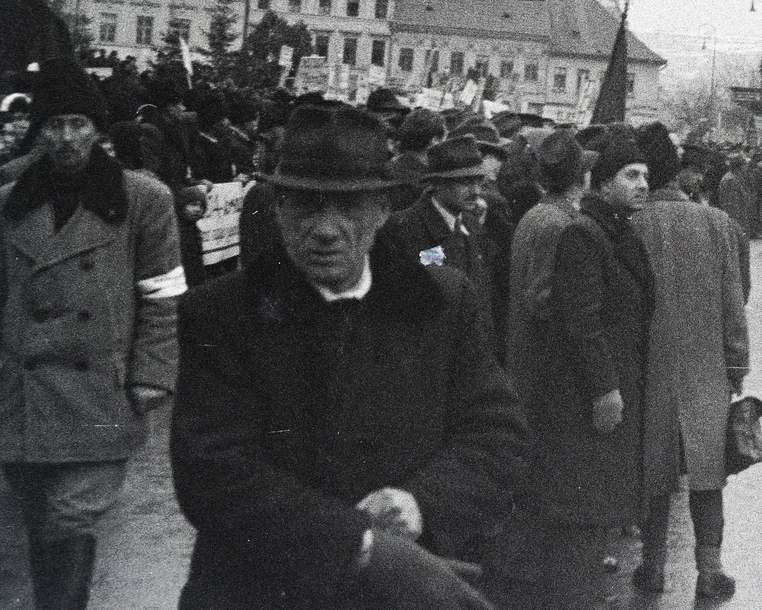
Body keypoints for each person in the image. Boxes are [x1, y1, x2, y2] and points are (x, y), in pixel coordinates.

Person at [170, 104, 525, 610]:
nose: (326, 229)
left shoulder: (442, 301)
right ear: (278, 207)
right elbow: (211, 470)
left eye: (348, 207)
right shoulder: (224, 311)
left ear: (382, 210)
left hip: (402, 594)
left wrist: (421, 503)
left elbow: (495, 431)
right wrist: (355, 543)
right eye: (306, 206)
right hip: (259, 591)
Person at [1, 57, 187, 610]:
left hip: (99, 391)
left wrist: (152, 373)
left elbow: (162, 294)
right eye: (54, 125)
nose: (66, 138)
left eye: (78, 124)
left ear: (98, 129)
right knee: (42, 517)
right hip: (20, 391)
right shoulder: (9, 201)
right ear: (40, 130)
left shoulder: (143, 200)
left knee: (70, 515)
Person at [525, 128, 655, 609]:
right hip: (589, 399)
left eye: (645, 174)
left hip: (611, 392)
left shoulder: (618, 230)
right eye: (631, 174)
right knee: (579, 513)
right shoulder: (584, 234)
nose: (643, 183)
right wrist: (605, 389)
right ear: (601, 183)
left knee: (593, 513)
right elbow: (579, 320)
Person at [631, 125, 751, 601]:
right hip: (707, 368)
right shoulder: (717, 223)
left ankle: (652, 567)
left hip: (650, 365)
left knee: (656, 473)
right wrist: (737, 364)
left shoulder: (633, 223)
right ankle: (710, 570)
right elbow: (733, 299)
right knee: (707, 474)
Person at [488, 128, 599, 609]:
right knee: (542, 468)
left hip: (524, 358)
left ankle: (519, 566)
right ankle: (526, 573)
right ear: (581, 178)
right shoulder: (561, 225)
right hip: (545, 363)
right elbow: (539, 296)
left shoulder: (535, 215)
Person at [376, 135, 492, 297]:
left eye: (478, 182)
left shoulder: (471, 224)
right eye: (465, 183)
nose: (476, 192)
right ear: (438, 184)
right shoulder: (403, 228)